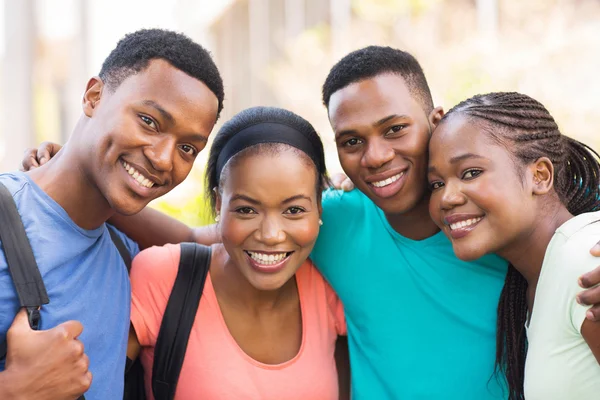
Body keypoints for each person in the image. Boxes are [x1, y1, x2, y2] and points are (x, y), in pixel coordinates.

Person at [25, 46, 600, 399]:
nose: (375, 157)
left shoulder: (499, 224)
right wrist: (77, 179)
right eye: (352, 141)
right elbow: (213, 238)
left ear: (437, 118)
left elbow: (557, 222)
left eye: (395, 129)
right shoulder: (337, 223)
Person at [0, 28, 223, 399]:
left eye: (187, 147)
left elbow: (214, 239)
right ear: (94, 97)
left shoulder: (127, 255)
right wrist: (14, 391)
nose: (163, 158)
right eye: (149, 121)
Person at [127, 106, 348, 399]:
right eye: (246, 209)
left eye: (294, 210)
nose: (270, 235)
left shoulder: (331, 283)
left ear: (319, 207)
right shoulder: (163, 276)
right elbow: (90, 383)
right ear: (219, 205)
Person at [427, 92, 600, 400]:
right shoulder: (540, 276)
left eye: (471, 173)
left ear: (540, 175)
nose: (446, 197)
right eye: (436, 184)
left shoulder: (585, 261)